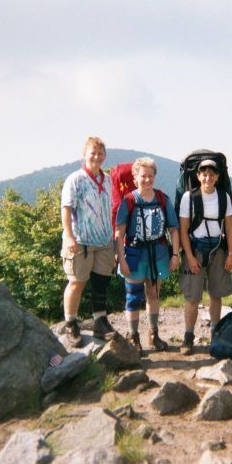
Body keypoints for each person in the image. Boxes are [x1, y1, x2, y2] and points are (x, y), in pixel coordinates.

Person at [115, 157, 181, 355]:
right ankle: (133, 336)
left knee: (153, 294)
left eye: (150, 176)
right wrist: (121, 259)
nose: (147, 180)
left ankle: (153, 334)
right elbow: (119, 233)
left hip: (158, 253)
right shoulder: (128, 201)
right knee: (133, 297)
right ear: (135, 177)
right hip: (134, 254)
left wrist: (175, 254)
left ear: (154, 177)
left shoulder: (162, 199)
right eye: (143, 176)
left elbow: (174, 229)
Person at [60, 136, 116, 347]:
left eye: (100, 153)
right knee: (77, 281)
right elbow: (66, 209)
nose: (96, 156)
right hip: (81, 240)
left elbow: (111, 208)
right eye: (93, 152)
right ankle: (71, 322)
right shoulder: (75, 179)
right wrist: (69, 236)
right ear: (84, 154)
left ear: (105, 156)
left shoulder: (108, 179)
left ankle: (100, 320)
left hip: (103, 240)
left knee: (101, 281)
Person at [178, 159, 232, 355]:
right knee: (192, 296)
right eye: (204, 173)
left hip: (218, 249)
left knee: (216, 294)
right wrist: (190, 257)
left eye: (212, 174)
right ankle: (188, 336)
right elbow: (184, 230)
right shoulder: (189, 197)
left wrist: (230, 254)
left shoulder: (223, 197)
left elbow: (228, 226)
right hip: (195, 249)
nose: (208, 177)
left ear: (218, 176)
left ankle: (215, 334)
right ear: (198, 176)